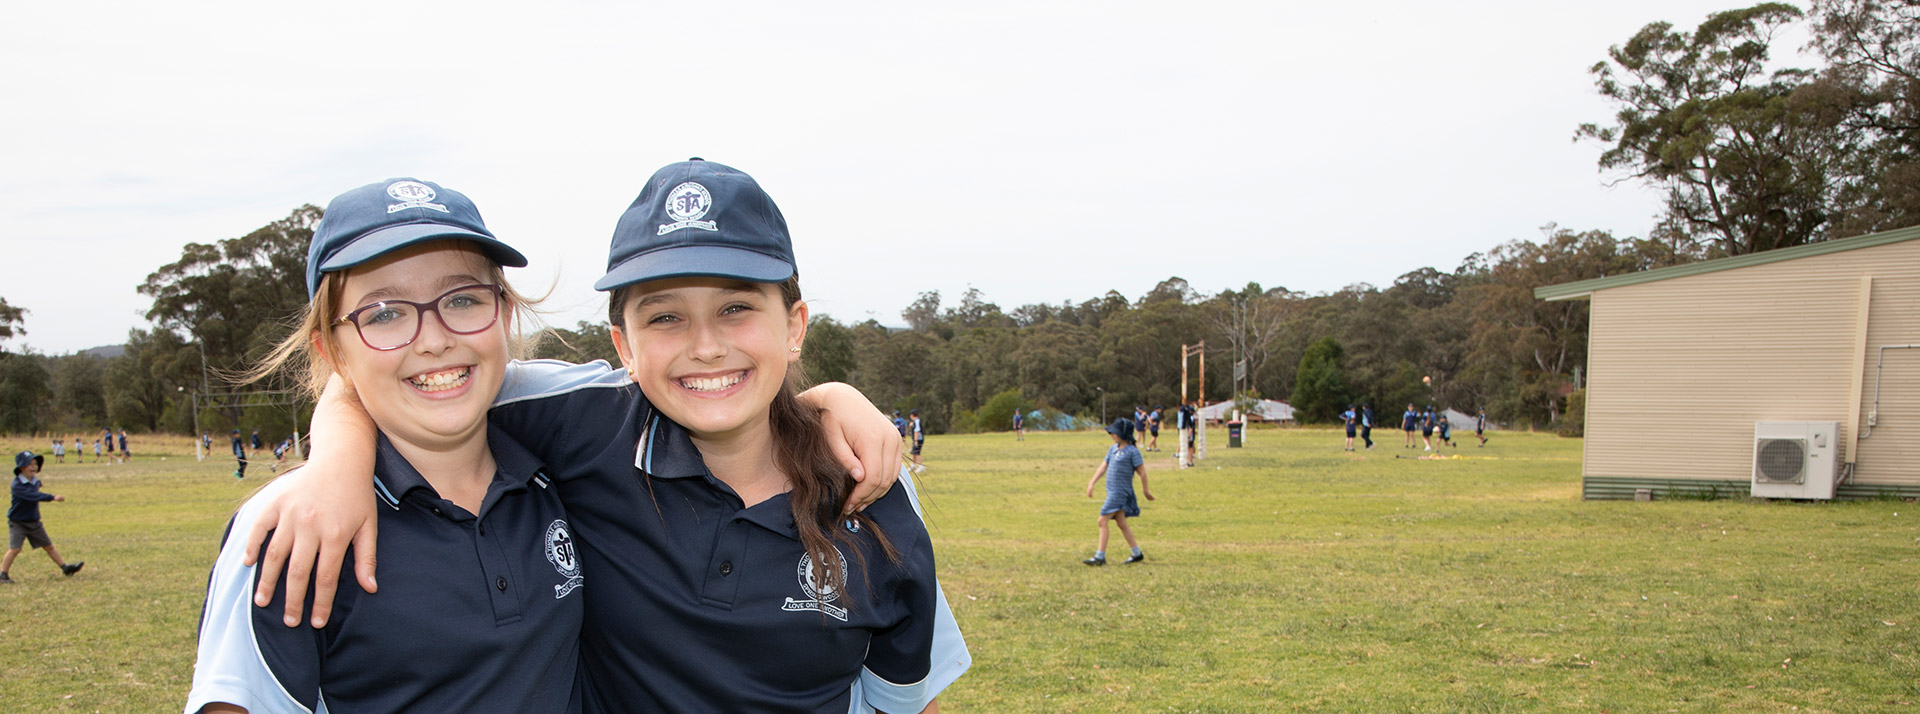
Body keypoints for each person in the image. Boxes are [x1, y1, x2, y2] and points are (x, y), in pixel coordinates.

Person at [240, 162, 964, 713]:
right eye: (665, 317)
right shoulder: (580, 421)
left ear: (795, 323)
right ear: (622, 342)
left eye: (738, 308)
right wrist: (335, 456)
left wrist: (828, 401)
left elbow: (907, 695)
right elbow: (410, 371)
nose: (706, 347)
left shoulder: (867, 478)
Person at [187, 177, 584, 713]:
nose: (434, 338)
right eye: (385, 314)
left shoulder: (561, 456)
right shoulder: (292, 527)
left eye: (463, 299)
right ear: (332, 351)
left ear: (505, 314)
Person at [3, 451, 83, 584]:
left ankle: (66, 568)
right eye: (29, 464)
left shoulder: (35, 481)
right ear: (21, 467)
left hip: (34, 522)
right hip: (18, 522)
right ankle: (3, 575)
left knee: (49, 546)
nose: (34, 467)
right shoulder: (17, 485)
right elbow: (33, 496)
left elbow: (36, 489)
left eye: (35, 464)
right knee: (15, 549)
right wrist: (52, 497)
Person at [1083, 418, 1152, 566]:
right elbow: (1103, 467)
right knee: (1121, 523)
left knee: (1102, 520)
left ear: (1123, 434)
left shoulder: (1133, 452)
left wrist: (1146, 491)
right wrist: (1092, 482)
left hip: (1121, 492)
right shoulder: (1112, 449)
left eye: (1115, 432)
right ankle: (1136, 553)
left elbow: (1142, 472)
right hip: (1112, 491)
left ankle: (1100, 557)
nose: (1112, 435)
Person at [908, 408, 926, 473]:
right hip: (916, 439)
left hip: (918, 439)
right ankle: (913, 465)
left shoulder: (917, 421)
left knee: (917, 453)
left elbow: (916, 431)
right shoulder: (915, 422)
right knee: (913, 452)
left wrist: (916, 441)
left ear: (912, 415)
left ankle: (921, 466)